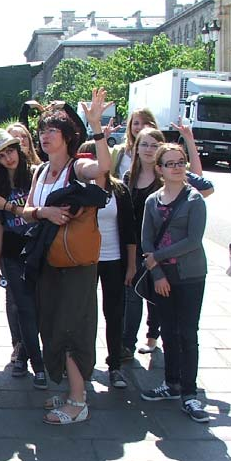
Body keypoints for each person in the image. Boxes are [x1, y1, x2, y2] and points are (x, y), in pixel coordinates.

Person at [21, 88, 113, 425]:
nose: (45, 136)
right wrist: (43, 212)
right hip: (47, 260)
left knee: (73, 327)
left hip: (75, 263)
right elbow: (29, 211)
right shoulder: (39, 171)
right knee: (52, 326)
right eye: (42, 131)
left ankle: (78, 400)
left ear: (68, 136)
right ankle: (71, 388)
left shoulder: (79, 166)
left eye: (52, 131)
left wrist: (96, 127)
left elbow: (105, 166)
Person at [122, 127, 213, 360]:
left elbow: (194, 238)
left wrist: (190, 141)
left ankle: (156, 342)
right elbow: (136, 227)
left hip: (178, 263)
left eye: (154, 145)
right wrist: (148, 261)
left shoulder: (186, 188)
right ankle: (131, 349)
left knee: (183, 327)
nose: (149, 150)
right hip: (143, 251)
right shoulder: (132, 181)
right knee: (139, 300)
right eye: (144, 144)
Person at [140, 143, 210, 423]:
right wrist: (156, 272)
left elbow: (193, 241)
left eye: (180, 162)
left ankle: (190, 393)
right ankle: (170, 383)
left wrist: (156, 257)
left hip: (190, 274)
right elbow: (145, 239)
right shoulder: (152, 200)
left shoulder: (195, 200)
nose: (177, 167)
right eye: (170, 163)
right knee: (168, 330)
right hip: (163, 276)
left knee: (187, 333)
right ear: (159, 169)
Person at [0, 129, 47, 389]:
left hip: (38, 248)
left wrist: (9, 207)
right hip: (11, 252)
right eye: (1, 156)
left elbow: (39, 214)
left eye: (10, 151)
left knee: (39, 307)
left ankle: (27, 355)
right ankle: (36, 364)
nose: (8, 158)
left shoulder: (36, 174)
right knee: (23, 307)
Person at [79, 139, 136, 389]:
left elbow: (130, 231)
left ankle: (115, 366)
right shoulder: (80, 189)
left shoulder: (119, 191)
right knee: (84, 315)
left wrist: (132, 265)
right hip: (86, 260)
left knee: (114, 314)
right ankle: (84, 365)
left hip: (114, 259)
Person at [110, 108, 157, 178]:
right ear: (130, 126)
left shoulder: (160, 152)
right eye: (136, 123)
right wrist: (103, 137)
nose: (140, 127)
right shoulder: (118, 151)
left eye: (145, 123)